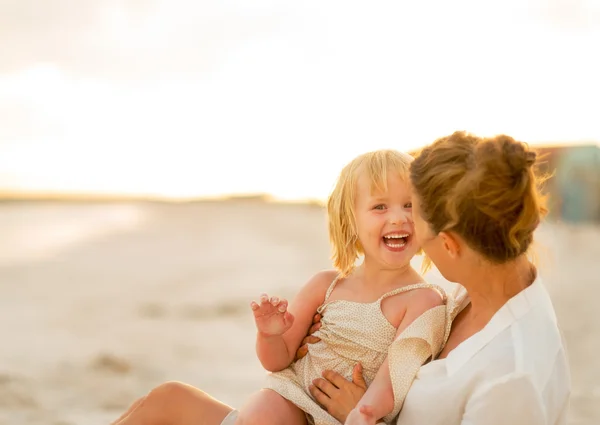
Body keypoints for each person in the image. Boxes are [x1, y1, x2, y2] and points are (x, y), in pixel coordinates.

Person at [111, 149, 449, 425]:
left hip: (345, 417)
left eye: (410, 205)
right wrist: (271, 335)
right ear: (350, 221)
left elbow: (392, 384)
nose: (399, 218)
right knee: (166, 397)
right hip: (288, 403)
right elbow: (276, 362)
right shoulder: (327, 285)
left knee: (255, 413)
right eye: (380, 206)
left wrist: (362, 414)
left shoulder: (421, 300)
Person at [313, 131, 571, 425]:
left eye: (413, 212)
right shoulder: (476, 284)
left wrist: (357, 417)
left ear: (449, 244)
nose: (416, 241)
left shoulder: (511, 381)